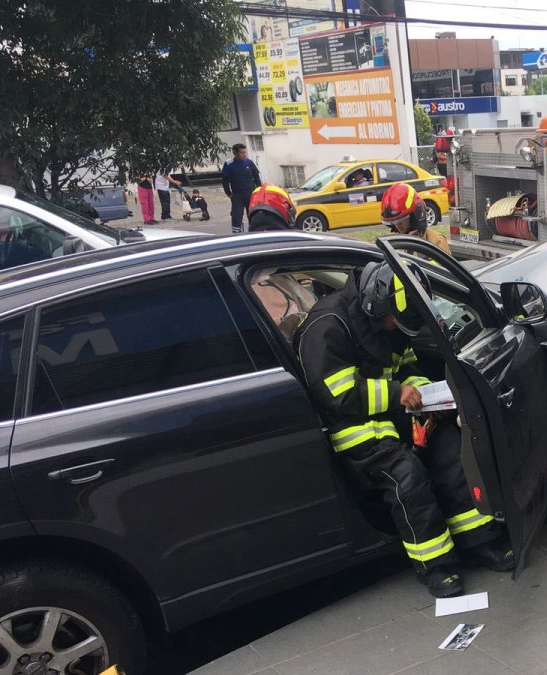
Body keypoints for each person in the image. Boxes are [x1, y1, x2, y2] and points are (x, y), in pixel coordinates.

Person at [294, 262, 515, 597]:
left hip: (396, 412)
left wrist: (426, 396)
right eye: (392, 321)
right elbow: (337, 396)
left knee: (451, 450)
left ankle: (480, 540)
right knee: (407, 477)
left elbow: (407, 366)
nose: (395, 328)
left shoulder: (393, 322)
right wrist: (397, 393)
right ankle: (435, 565)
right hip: (354, 426)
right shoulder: (328, 326)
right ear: (375, 303)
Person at [380, 182, 451, 255]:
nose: (398, 225)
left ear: (415, 215)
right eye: (394, 222)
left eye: (402, 220)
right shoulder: (392, 245)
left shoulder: (437, 241)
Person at [221, 143, 262, 234]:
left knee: (253, 215)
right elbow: (225, 181)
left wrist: (258, 191)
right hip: (237, 195)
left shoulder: (249, 163)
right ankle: (236, 234)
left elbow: (257, 178)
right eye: (241, 153)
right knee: (236, 216)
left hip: (251, 194)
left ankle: (253, 232)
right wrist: (229, 193)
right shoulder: (229, 164)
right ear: (235, 153)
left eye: (245, 152)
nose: (244, 154)